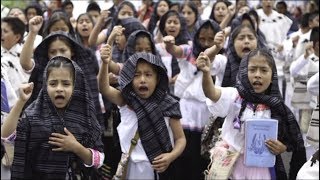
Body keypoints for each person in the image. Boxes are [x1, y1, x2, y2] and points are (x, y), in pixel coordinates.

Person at [198, 48, 306, 179]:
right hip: (230, 166)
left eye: (264, 70)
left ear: (272, 76)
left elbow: (292, 141)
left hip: (262, 169)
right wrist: (206, 73)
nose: (257, 75)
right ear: (244, 72)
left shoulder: (278, 107)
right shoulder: (235, 96)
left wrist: (282, 147)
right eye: (252, 69)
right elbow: (212, 93)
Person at [9, 56, 104, 179]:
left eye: (66, 84)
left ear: (76, 86)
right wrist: (21, 101)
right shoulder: (32, 116)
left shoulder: (85, 117)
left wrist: (76, 147)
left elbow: (99, 161)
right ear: (45, 85)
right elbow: (6, 136)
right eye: (53, 84)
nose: (59, 89)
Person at [98, 49, 186, 179]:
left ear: (157, 79)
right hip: (129, 168)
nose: (142, 80)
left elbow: (180, 139)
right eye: (136, 75)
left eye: (148, 74)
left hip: (157, 169)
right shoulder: (126, 100)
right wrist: (105, 63)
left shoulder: (169, 105)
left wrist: (170, 157)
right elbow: (104, 88)